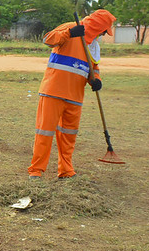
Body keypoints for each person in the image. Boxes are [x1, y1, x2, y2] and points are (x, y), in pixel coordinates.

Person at [28, 9, 117, 179]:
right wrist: (69, 33)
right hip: (53, 92)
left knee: (68, 137)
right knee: (45, 133)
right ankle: (36, 171)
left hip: (75, 97)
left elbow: (93, 68)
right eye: (104, 31)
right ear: (98, 27)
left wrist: (95, 80)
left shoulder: (93, 45)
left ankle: (66, 171)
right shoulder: (72, 27)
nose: (104, 35)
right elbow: (48, 39)